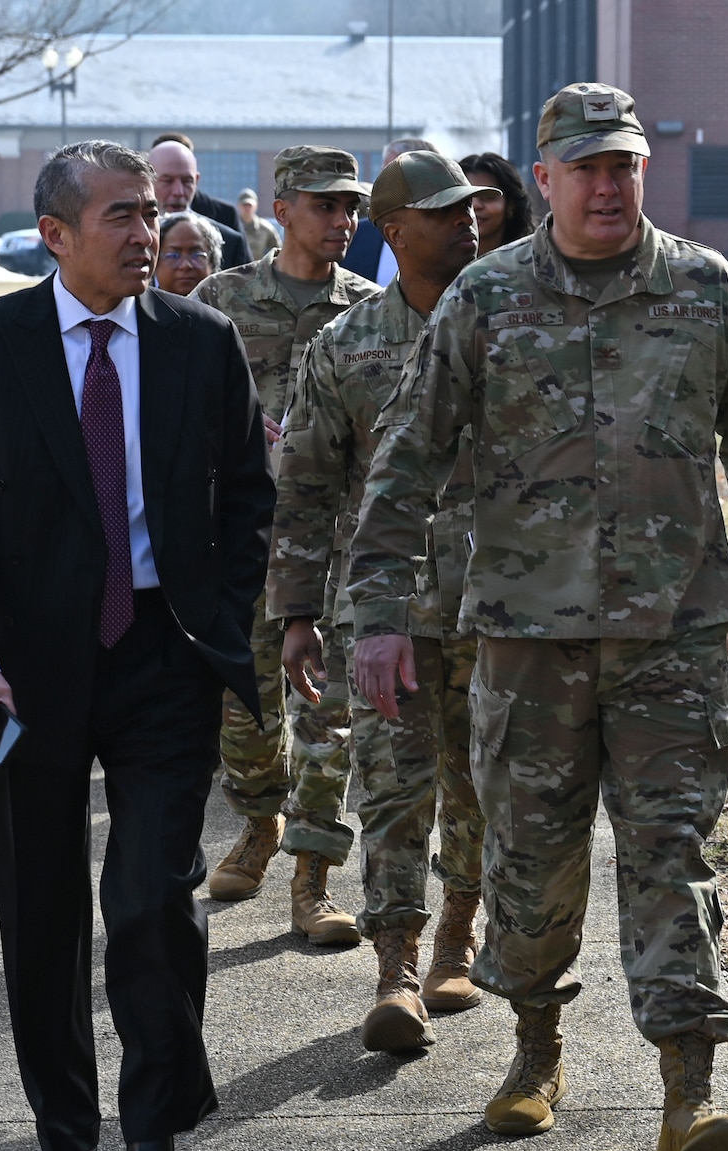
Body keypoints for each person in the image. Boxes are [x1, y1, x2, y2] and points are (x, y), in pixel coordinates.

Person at [345, 85, 728, 1151]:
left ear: (642, 172)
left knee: (670, 858)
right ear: (541, 180)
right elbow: (405, 455)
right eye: (585, 168)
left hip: (671, 637)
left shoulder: (706, 290)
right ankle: (534, 1048)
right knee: (530, 861)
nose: (607, 186)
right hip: (526, 641)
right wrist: (376, 614)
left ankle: (688, 1094)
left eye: (624, 166)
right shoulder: (486, 297)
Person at [0, 140, 273, 1151]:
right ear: (52, 236)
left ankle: (152, 1146)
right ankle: (65, 1132)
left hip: (161, 657)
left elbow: (248, 496)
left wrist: (221, 614)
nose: (142, 233)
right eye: (115, 216)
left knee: (152, 903)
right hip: (20, 671)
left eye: (144, 215)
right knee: (42, 907)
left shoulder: (201, 342)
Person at [268, 152, 497, 1053]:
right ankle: (395, 967)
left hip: (496, 605)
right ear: (394, 230)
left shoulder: (512, 325)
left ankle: (457, 936)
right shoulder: (348, 343)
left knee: (478, 788)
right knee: (394, 791)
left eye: (471, 207)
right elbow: (308, 484)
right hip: (384, 611)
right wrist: (296, 611)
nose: (466, 220)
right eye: (442, 211)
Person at [192, 146, 379, 944]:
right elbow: (174, 409)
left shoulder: (372, 306)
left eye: (352, 209)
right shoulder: (222, 298)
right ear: (286, 207)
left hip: (338, 544)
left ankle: (313, 878)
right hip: (245, 541)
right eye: (329, 205)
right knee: (244, 714)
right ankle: (261, 822)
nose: (344, 221)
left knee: (326, 715)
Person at [338, 136, 437, 285]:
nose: (385, 182)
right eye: (384, 173)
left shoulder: (449, 235)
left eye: (396, 174)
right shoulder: (358, 235)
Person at [148, 135, 252, 269]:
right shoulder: (133, 237)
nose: (178, 191)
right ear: (148, 181)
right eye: (167, 181)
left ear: (197, 180)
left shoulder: (229, 243)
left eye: (187, 181)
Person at [459, 151, 535, 255]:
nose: (475, 205)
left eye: (488, 197)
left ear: (510, 206)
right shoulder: (439, 265)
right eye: (466, 198)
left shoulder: (533, 262)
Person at [156, 209, 222, 297]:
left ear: (212, 263)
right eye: (174, 256)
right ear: (156, 262)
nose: (186, 266)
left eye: (197, 255)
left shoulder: (229, 309)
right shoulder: (136, 308)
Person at [236, 188, 281, 259]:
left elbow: (278, 250)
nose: (247, 208)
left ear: (256, 206)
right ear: (238, 206)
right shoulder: (233, 227)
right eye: (244, 205)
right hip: (236, 269)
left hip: (258, 268)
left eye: (249, 205)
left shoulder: (266, 228)